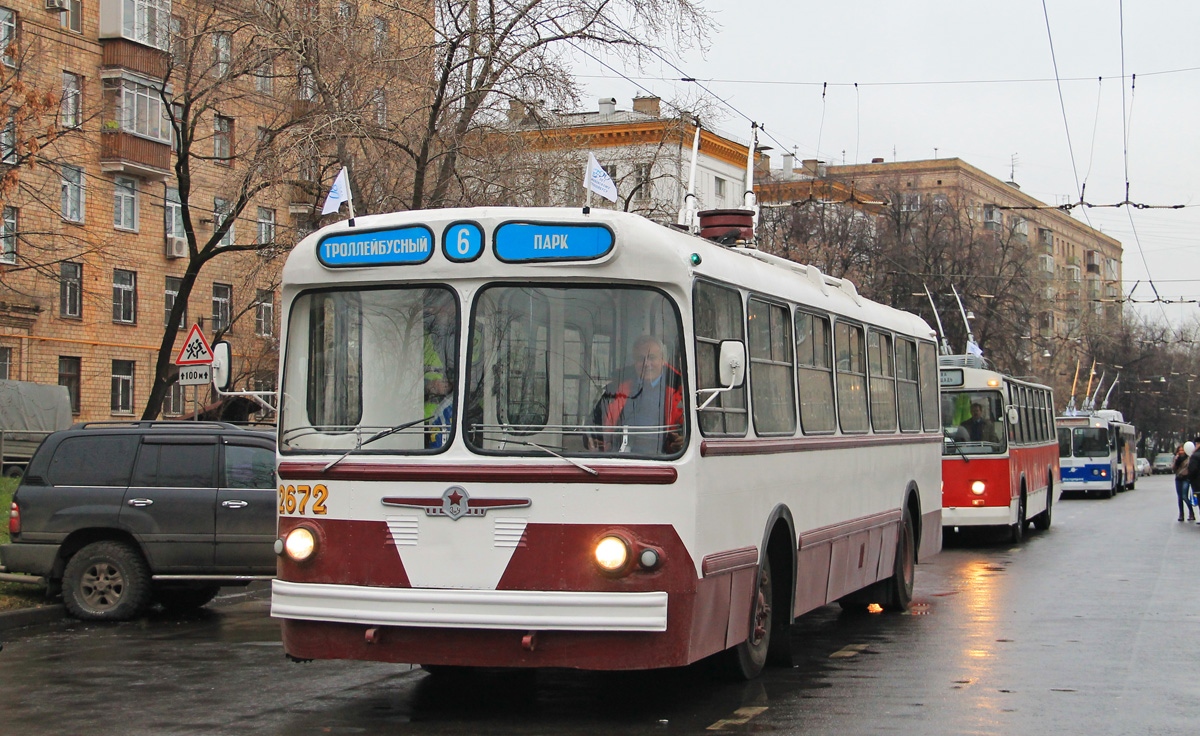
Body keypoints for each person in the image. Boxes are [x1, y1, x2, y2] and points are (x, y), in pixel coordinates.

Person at [587, 335, 684, 454]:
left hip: (665, 460)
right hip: (620, 458)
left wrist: (681, 443)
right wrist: (590, 439)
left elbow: (691, 433)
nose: (646, 363)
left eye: (652, 358)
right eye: (640, 359)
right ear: (634, 361)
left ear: (663, 360)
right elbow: (593, 423)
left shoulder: (680, 389)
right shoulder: (616, 388)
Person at [1174, 444, 1195, 521]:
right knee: (1179, 497)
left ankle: (1191, 512)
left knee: (1184, 496)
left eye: (1182, 450)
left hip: (1186, 479)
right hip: (1178, 478)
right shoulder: (1176, 458)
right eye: (1179, 450)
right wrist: (1176, 461)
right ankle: (1181, 514)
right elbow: (1173, 469)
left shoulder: (1189, 458)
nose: (1181, 452)